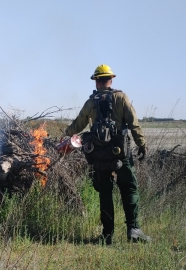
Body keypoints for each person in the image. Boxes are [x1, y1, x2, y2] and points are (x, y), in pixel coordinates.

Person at [64, 64, 151, 245]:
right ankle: (134, 230)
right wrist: (142, 145)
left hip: (99, 157)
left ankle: (107, 235)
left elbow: (77, 126)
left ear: (96, 82)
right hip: (121, 155)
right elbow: (134, 125)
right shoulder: (121, 97)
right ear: (111, 80)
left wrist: (65, 133)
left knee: (105, 193)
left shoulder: (90, 103)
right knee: (129, 189)